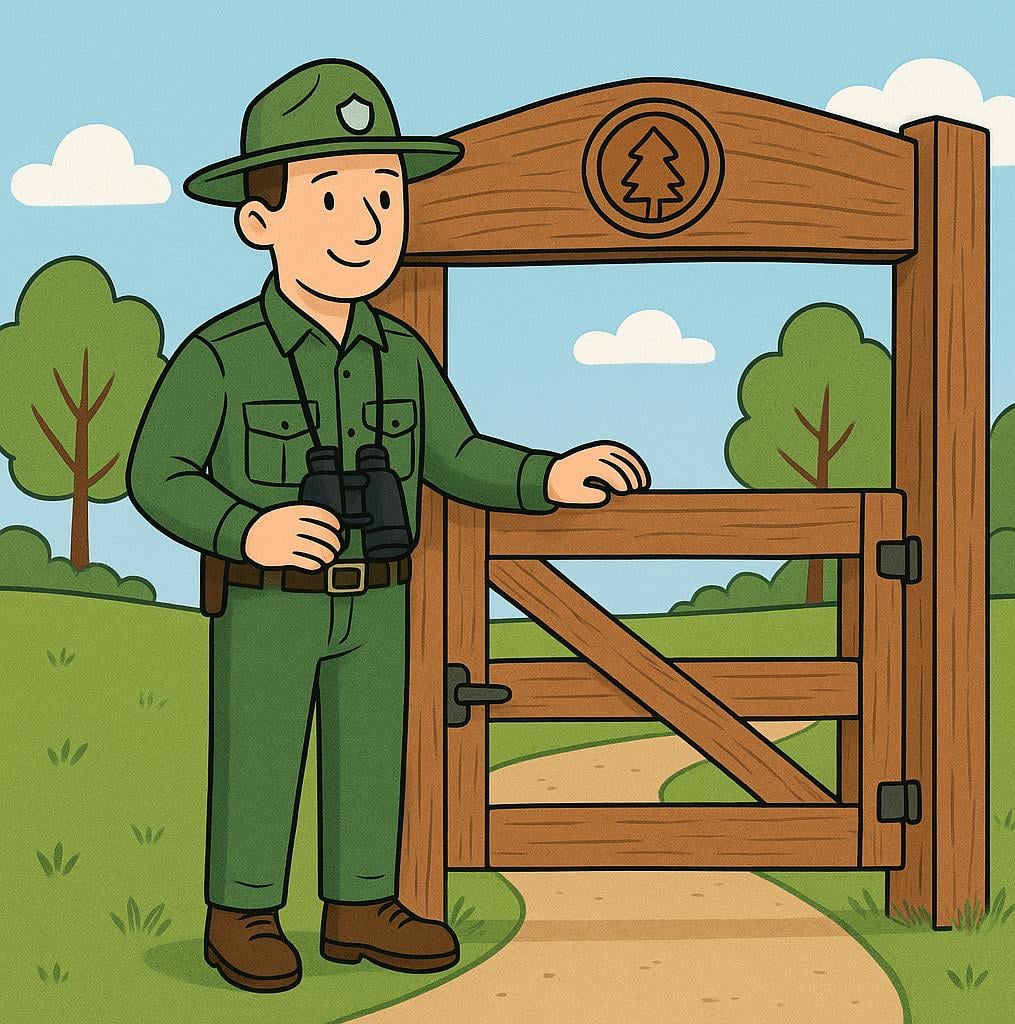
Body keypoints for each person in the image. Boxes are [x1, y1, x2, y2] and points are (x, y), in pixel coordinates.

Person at [128, 58, 650, 994]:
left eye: (385, 195)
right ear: (261, 224)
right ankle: (241, 913)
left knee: (374, 750)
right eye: (331, 197)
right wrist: (247, 529)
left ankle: (360, 907)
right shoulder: (220, 356)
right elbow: (155, 475)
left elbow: (458, 456)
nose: (367, 223)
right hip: (268, 603)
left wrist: (550, 477)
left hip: (378, 596)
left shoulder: (399, 354)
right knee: (260, 751)